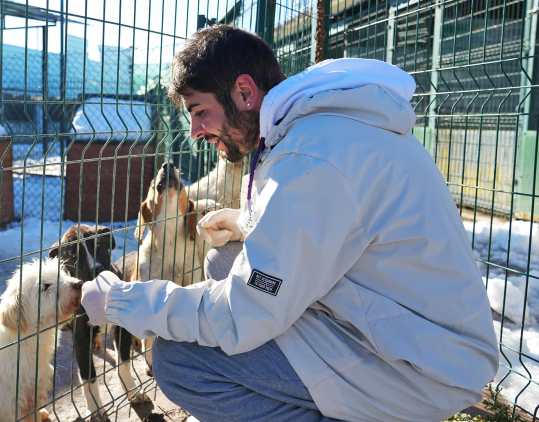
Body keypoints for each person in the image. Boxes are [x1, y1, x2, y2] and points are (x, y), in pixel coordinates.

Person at [81, 25, 499, 422]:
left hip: (417, 370)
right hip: (411, 334)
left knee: (178, 361)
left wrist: (125, 302)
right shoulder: (320, 129)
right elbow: (328, 220)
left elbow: (244, 311)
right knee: (225, 260)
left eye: (199, 111)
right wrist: (248, 222)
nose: (193, 132)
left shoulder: (310, 159)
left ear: (244, 92)